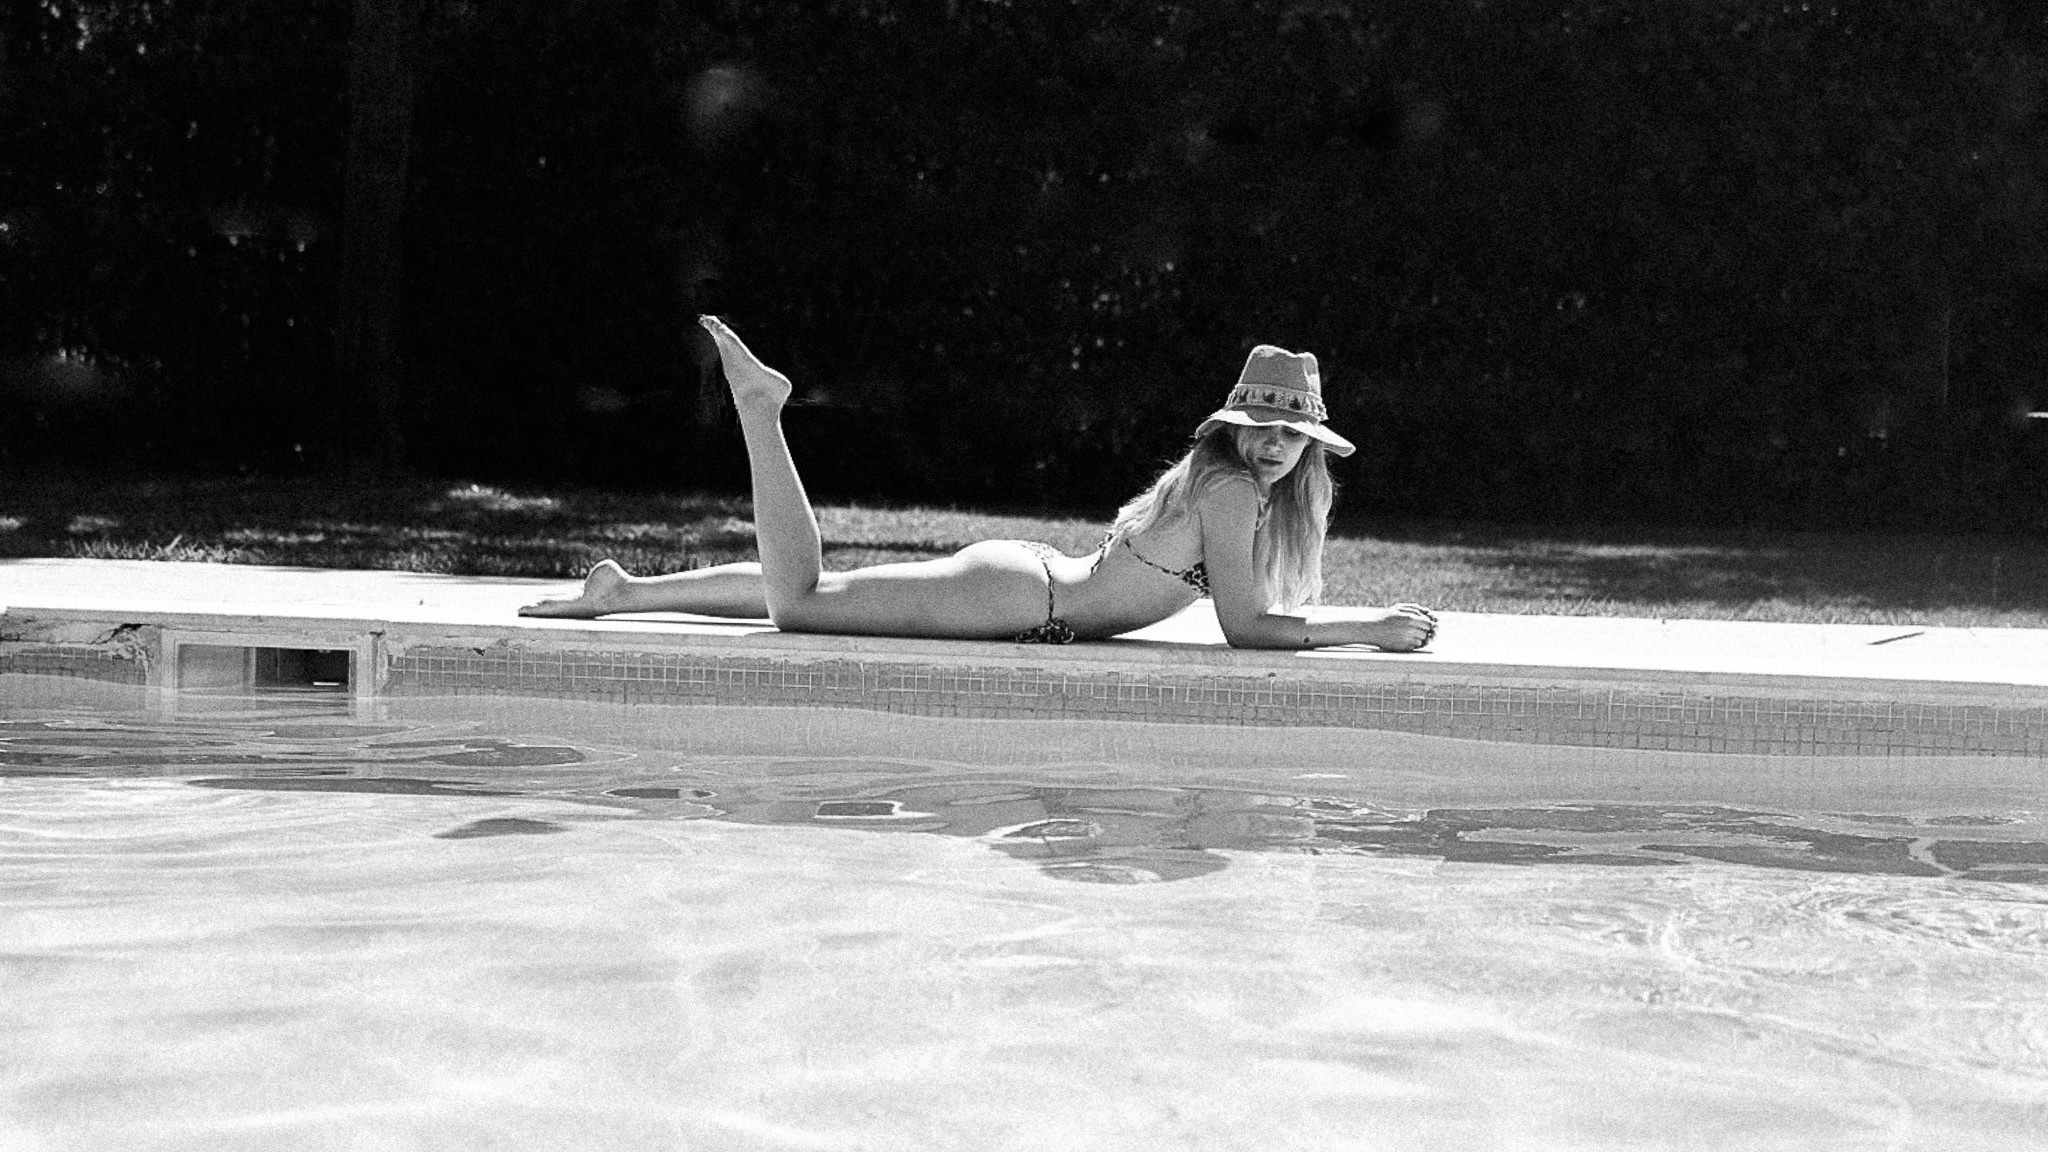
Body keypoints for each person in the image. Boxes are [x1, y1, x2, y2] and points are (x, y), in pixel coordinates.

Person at [519, 316, 1437, 651]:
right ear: (1235, 429)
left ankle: (625, 592)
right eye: (1263, 429)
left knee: (819, 593)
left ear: (1309, 447)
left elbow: (1244, 612)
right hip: (1019, 597)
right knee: (801, 605)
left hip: (1030, 586)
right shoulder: (1231, 488)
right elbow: (1245, 627)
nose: (1276, 447)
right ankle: (763, 412)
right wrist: (1369, 629)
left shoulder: (1236, 486)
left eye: (1292, 435)